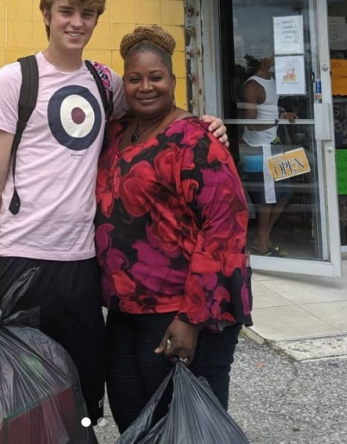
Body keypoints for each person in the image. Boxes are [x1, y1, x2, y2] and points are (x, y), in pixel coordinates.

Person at [0, 0, 227, 424]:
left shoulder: (104, 82)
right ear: (46, 15)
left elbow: (154, 107)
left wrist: (202, 123)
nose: (76, 23)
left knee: (82, 394)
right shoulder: (14, 80)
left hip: (83, 267)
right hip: (18, 257)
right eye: (66, 11)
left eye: (87, 13)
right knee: (17, 395)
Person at [95, 25, 252, 433]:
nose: (145, 87)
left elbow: (225, 229)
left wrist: (191, 318)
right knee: (135, 421)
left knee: (186, 427)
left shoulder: (196, 140)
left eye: (155, 77)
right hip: (125, 311)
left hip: (178, 312)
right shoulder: (117, 133)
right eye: (134, 78)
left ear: (172, 81)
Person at [240, 56, 297, 256]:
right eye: (271, 58)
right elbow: (251, 124)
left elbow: (273, 111)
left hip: (274, 146)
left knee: (285, 194)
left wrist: (284, 114)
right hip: (256, 149)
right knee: (267, 199)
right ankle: (263, 245)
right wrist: (277, 120)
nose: (275, 61)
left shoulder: (276, 81)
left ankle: (262, 238)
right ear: (263, 61)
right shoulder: (253, 85)